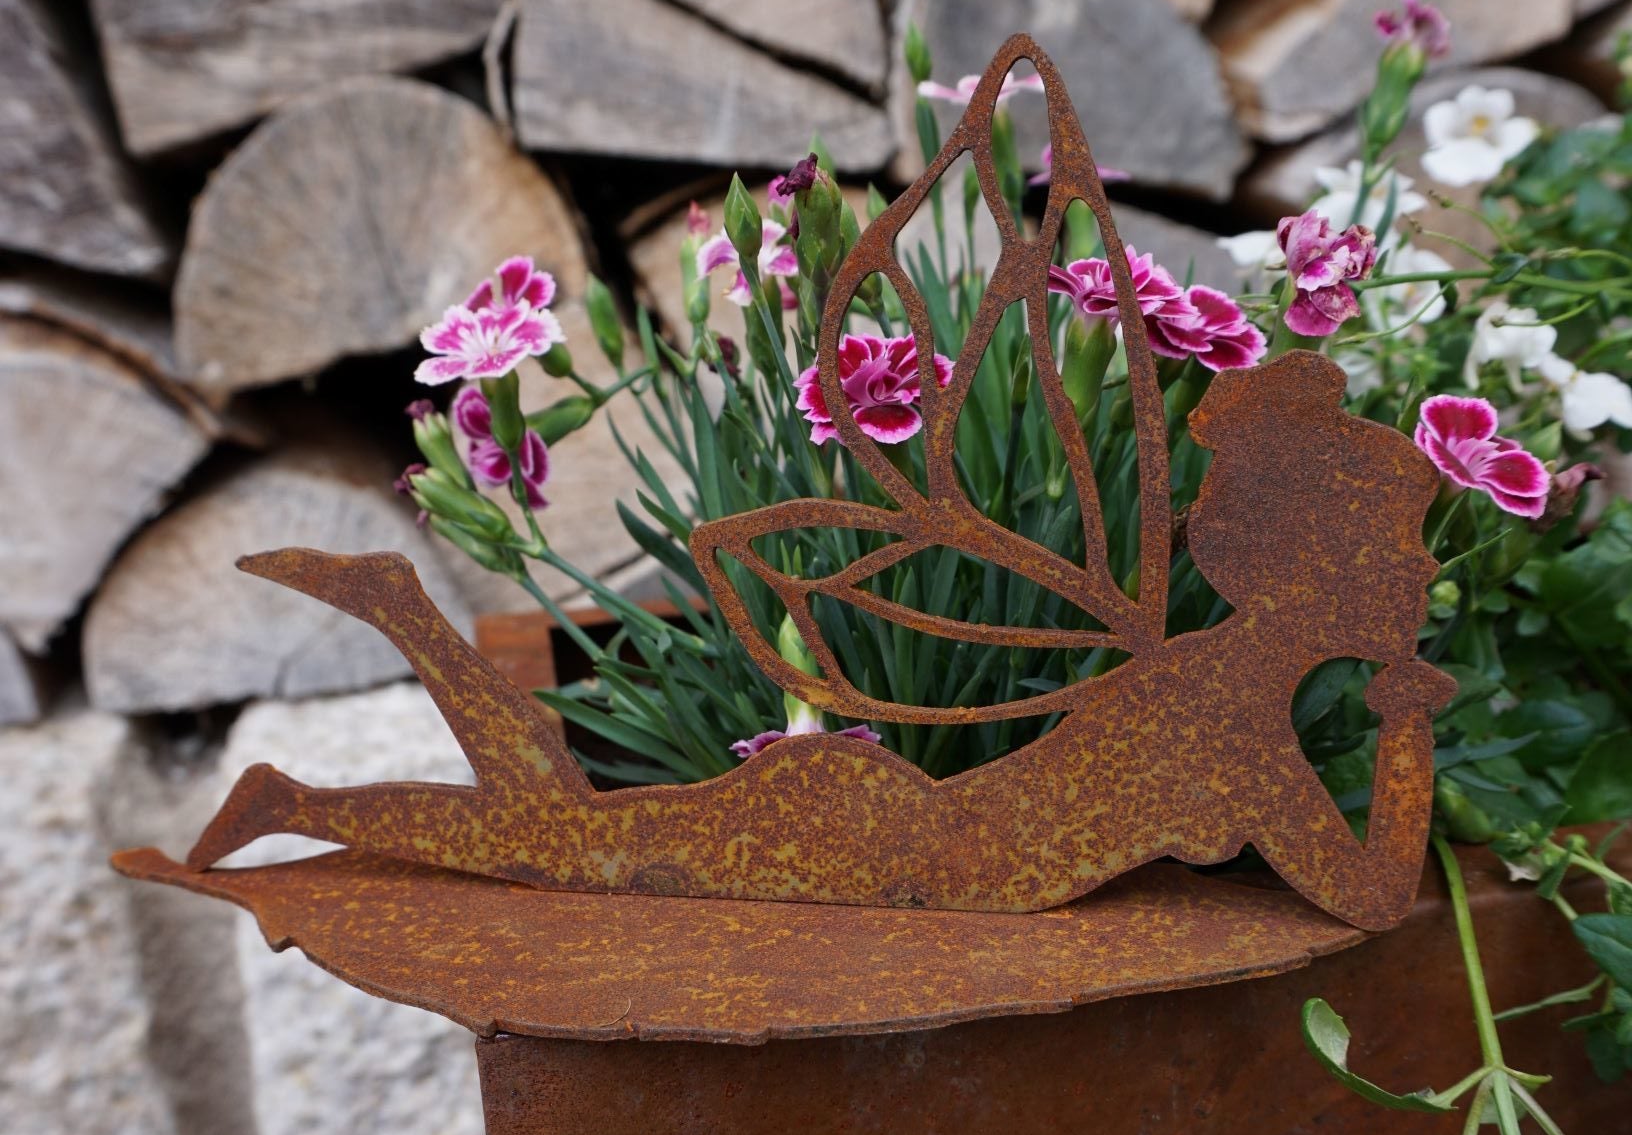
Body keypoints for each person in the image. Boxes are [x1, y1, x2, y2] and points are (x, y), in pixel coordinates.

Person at [184, 350, 1451, 934]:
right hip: (892, 849)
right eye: (1401, 545)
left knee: (566, 839)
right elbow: (1375, 895)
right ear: (1315, 566)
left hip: (883, 829)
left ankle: (332, 738)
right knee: (565, 850)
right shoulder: (1235, 722)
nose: (1424, 570)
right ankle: (371, 673)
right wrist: (1406, 721)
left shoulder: (1220, 685)